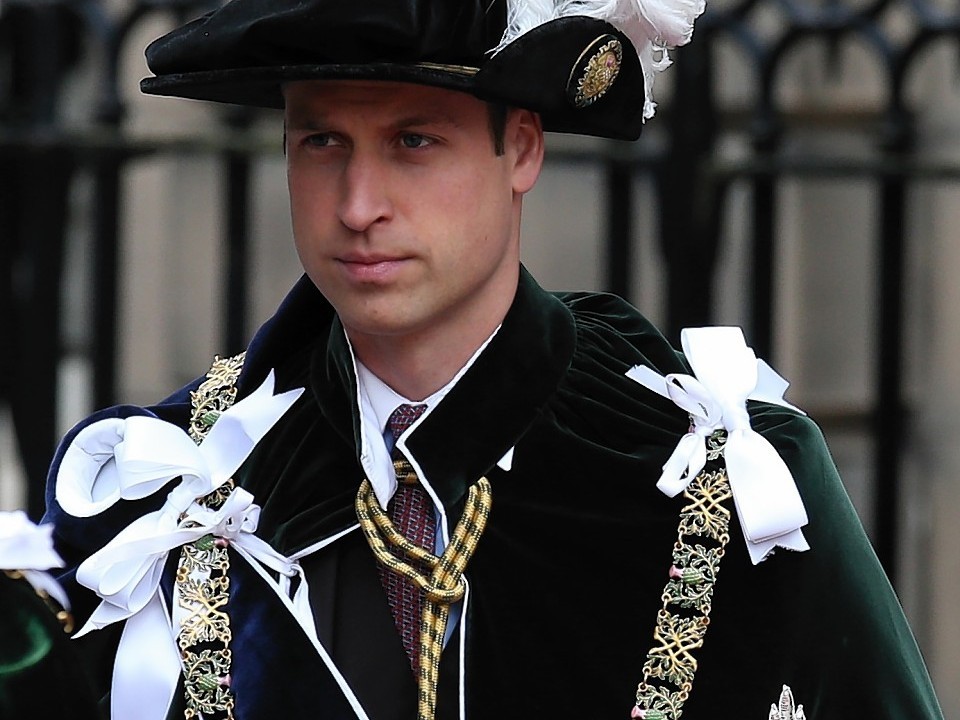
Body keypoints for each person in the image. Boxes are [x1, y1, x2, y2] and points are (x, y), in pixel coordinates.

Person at [43, 1, 943, 720]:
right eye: (323, 140)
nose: (359, 205)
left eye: (413, 141)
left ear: (521, 147)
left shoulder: (737, 489)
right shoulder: (160, 486)